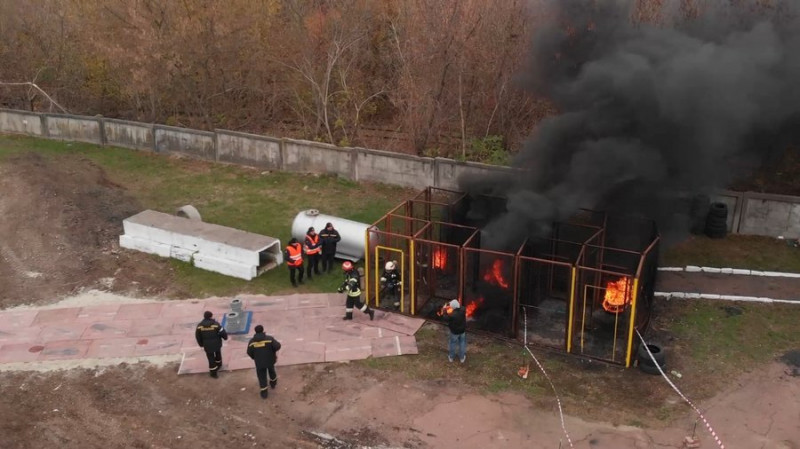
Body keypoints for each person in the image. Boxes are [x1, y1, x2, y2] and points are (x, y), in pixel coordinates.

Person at [246, 325, 282, 399]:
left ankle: (264, 393)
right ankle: (273, 383)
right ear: (263, 330)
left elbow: (249, 352)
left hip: (259, 363)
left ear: (255, 331)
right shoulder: (269, 339)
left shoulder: (252, 342)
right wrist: (273, 351)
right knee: (271, 371)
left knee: (261, 376)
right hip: (270, 360)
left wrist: (255, 357)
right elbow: (277, 346)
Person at [195, 311, 229, 377]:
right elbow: (222, 332)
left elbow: (197, 336)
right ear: (211, 316)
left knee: (210, 358)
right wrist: (225, 338)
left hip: (207, 345)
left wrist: (201, 344)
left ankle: (213, 373)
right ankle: (219, 364)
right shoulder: (215, 324)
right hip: (217, 343)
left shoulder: (200, 326)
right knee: (218, 353)